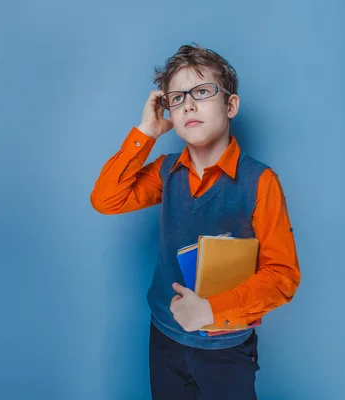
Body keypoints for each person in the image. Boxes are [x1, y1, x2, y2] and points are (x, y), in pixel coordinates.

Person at [90, 43, 301, 400]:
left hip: (226, 347)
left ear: (230, 105)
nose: (188, 103)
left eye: (202, 92)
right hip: (165, 338)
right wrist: (147, 131)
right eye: (176, 97)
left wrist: (211, 309)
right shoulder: (167, 171)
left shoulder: (261, 182)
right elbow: (106, 199)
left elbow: (282, 275)